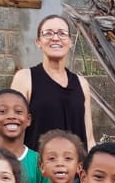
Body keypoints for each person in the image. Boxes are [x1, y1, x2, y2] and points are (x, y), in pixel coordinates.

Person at [11, 13, 95, 149]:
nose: (55, 38)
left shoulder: (81, 84)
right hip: (37, 168)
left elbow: (89, 138)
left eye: (62, 33)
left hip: (76, 167)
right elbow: (14, 132)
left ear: (70, 41)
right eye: (48, 33)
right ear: (38, 42)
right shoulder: (25, 78)